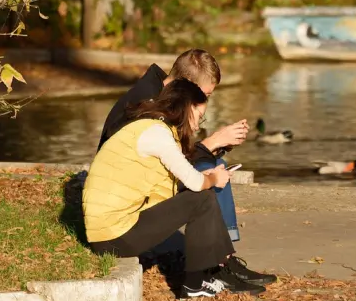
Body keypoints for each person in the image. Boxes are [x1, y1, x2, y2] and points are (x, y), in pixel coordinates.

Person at [97, 48, 275, 287]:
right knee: (208, 173)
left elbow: (167, 155)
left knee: (214, 164)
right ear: (187, 86)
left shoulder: (160, 93)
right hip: (129, 195)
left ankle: (223, 258)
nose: (205, 103)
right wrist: (212, 143)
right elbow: (156, 159)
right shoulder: (147, 102)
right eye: (205, 95)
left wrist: (213, 147)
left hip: (142, 178)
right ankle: (216, 264)